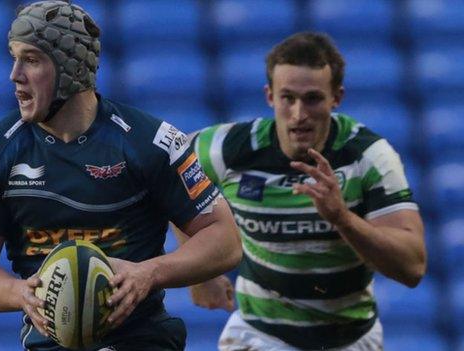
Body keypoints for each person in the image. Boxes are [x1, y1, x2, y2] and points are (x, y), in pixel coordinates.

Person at [0, 1, 242, 350]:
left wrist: (149, 273)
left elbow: (224, 238)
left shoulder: (150, 143)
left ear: (71, 67)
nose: (15, 75)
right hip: (48, 342)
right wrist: (19, 293)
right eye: (14, 58)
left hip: (142, 338)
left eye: (31, 59)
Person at [178, 32, 427, 350]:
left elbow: (412, 268)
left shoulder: (370, 157)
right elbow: (173, 174)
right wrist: (200, 274)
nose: (299, 114)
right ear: (270, 96)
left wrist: (342, 219)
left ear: (336, 97)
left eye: (312, 99)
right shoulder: (227, 148)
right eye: (288, 98)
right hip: (261, 334)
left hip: (351, 336)